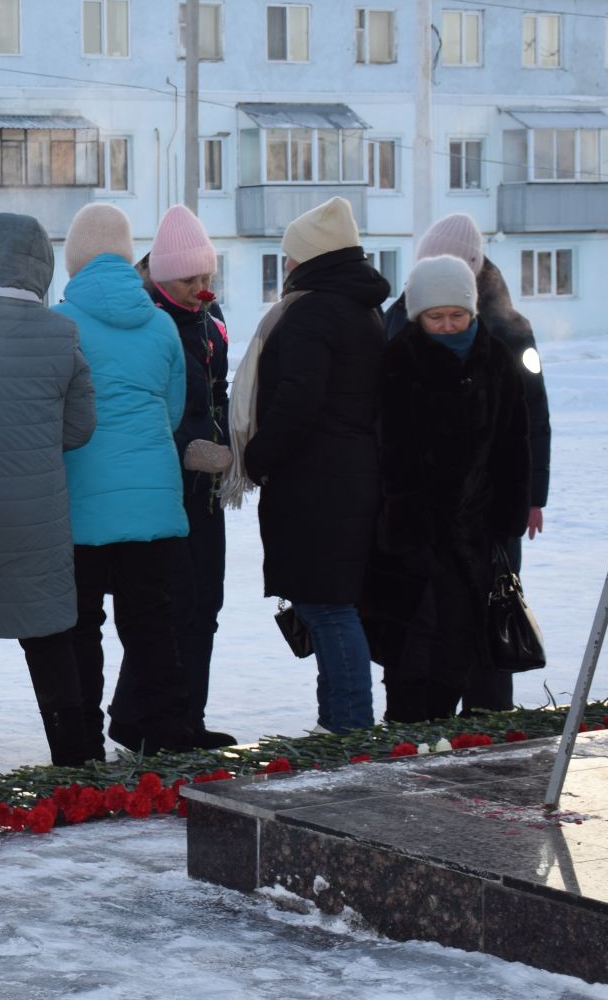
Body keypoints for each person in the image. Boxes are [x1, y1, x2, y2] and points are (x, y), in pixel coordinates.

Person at [0, 214, 95, 772]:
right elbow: (79, 429)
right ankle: (74, 764)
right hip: (35, 523)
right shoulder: (60, 333)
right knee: (50, 641)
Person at [226, 197, 389, 734]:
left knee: (327, 607)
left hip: (318, 484)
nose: (286, 267)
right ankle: (339, 722)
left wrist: (258, 456)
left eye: (290, 257)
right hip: (346, 477)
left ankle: (349, 728)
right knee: (330, 603)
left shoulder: (315, 311)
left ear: (311, 258)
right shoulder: (360, 307)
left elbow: (298, 400)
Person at [384, 212, 551, 714]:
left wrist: (529, 499)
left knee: (488, 614)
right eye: (436, 316)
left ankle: (490, 720)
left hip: (486, 519)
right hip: (420, 519)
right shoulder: (399, 325)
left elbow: (529, 424)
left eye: (456, 313)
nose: (446, 323)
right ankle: (416, 723)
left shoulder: (508, 336)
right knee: (420, 628)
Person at [50, 203, 199, 756]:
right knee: (151, 625)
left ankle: (83, 747)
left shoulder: (60, 321)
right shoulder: (161, 323)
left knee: (81, 627)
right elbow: (175, 408)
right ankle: (170, 738)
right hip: (154, 501)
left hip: (81, 500)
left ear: (75, 260)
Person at [129, 205, 236, 748]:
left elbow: (217, 400)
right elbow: (140, 412)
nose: (202, 288)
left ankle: (185, 717)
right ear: (163, 276)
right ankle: (156, 720)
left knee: (207, 607)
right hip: (164, 489)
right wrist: (185, 449)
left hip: (206, 491)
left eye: (207, 278)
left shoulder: (210, 326)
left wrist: (232, 445)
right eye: (191, 279)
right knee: (174, 609)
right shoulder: (149, 325)